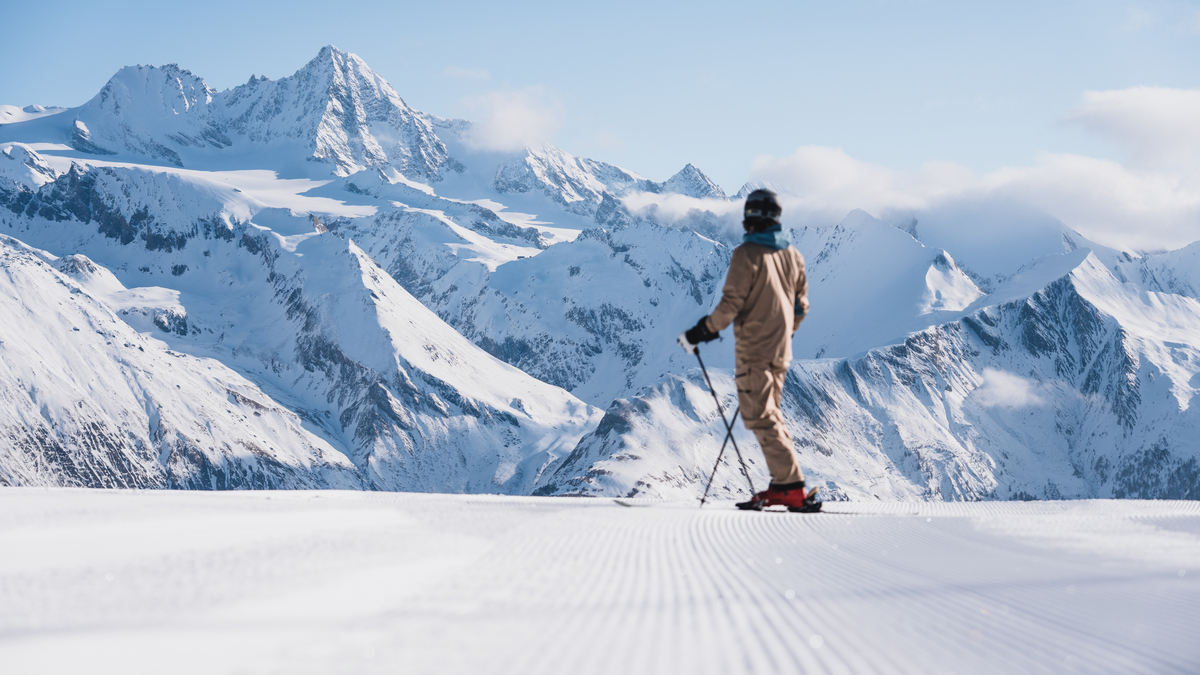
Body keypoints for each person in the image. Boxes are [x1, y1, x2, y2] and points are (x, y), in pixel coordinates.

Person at [677, 189, 818, 512]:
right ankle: (782, 484)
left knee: (760, 415)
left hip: (755, 349)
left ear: (751, 217)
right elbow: (800, 307)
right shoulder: (793, 255)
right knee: (770, 413)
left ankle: (791, 487)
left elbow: (731, 305)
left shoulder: (747, 254)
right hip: (781, 350)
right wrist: (783, 332)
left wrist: (701, 331)